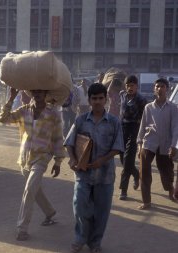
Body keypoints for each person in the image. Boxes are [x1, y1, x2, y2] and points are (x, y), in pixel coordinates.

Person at [0, 88, 65, 241]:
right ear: (31, 94)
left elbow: (58, 137)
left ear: (46, 94)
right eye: (34, 91)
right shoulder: (24, 110)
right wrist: (11, 98)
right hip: (25, 157)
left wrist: (58, 160)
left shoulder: (53, 113)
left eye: (40, 91)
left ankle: (22, 228)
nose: (37, 94)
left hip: (42, 157)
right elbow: (4, 118)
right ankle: (49, 212)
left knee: (29, 190)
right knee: (35, 190)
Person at [64, 83, 123, 253]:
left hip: (105, 176)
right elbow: (69, 142)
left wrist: (102, 160)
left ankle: (95, 243)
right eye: (94, 98)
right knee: (80, 207)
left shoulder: (114, 122)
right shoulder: (80, 120)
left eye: (100, 98)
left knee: (101, 213)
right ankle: (80, 238)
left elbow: (118, 147)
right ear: (89, 100)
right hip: (83, 173)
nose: (97, 101)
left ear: (105, 99)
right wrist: (73, 160)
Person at [137, 78, 178, 210]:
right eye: (157, 86)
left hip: (165, 144)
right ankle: (146, 201)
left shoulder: (172, 108)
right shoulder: (148, 107)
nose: (160, 89)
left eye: (162, 86)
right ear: (154, 89)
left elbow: (175, 128)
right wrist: (139, 144)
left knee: (166, 172)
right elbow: (143, 126)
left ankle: (170, 188)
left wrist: (173, 146)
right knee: (144, 172)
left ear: (167, 89)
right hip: (148, 143)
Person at [118, 75, 147, 200]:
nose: (130, 87)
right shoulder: (122, 95)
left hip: (135, 129)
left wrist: (142, 136)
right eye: (128, 85)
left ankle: (123, 190)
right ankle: (136, 174)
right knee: (123, 159)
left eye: (132, 85)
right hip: (122, 128)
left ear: (137, 86)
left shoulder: (141, 100)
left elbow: (144, 120)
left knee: (128, 159)